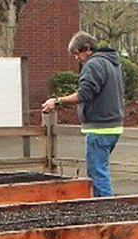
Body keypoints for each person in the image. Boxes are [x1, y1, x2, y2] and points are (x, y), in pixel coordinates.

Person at [41, 31, 125, 197]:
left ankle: (106, 209)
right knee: (101, 169)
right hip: (114, 126)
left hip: (99, 128)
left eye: (77, 54)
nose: (76, 58)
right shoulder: (113, 64)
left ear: (87, 48)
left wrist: (56, 101)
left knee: (97, 173)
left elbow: (84, 94)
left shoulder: (94, 65)